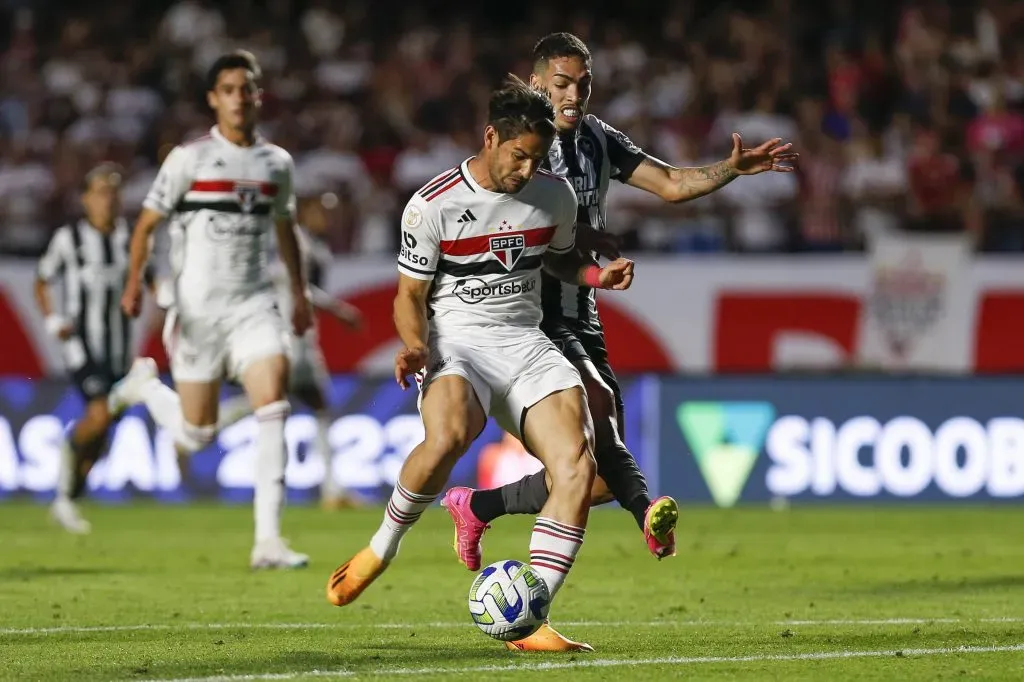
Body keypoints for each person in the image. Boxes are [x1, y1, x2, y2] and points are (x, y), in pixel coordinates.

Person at [443, 32, 798, 566]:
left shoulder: (597, 140)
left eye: (583, 85)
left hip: (580, 310)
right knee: (601, 412)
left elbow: (673, 183)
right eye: (562, 84)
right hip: (526, 317)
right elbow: (503, 226)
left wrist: (730, 170)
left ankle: (477, 505)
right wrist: (582, 241)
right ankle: (647, 514)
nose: (573, 95)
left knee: (599, 479)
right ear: (538, 83)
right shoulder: (519, 152)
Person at [325, 75, 634, 653]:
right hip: (456, 341)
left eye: (537, 159)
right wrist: (415, 344)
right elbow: (408, 295)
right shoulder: (433, 204)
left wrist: (597, 276)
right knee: (449, 437)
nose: (526, 171)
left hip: (524, 340)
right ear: (491, 138)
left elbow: (561, 263)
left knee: (579, 468)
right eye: (519, 156)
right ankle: (381, 548)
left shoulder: (554, 195)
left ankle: (529, 615)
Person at [111, 50, 313, 569]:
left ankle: (268, 540)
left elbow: (286, 230)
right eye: (229, 89)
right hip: (198, 313)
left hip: (253, 306)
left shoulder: (277, 163)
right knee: (195, 435)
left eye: (247, 88)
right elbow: (145, 227)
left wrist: (300, 293)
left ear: (258, 96)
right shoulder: (188, 159)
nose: (239, 98)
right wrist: (135, 283)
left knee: (274, 404)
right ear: (213, 99)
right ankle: (145, 387)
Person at [213, 222, 365, 509]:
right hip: (287, 343)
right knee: (278, 405)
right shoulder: (283, 234)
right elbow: (292, 283)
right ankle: (211, 423)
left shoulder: (299, 240)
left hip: (297, 343)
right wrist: (339, 310)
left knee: (307, 406)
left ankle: (332, 490)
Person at [35, 164, 140, 534]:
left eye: (113, 192)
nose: (107, 199)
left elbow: (154, 278)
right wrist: (52, 319)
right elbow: (43, 281)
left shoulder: (132, 238)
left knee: (102, 436)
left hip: (119, 351)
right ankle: (64, 495)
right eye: (99, 192)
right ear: (85, 199)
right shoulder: (70, 239)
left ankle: (67, 498)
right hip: (82, 345)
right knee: (97, 417)